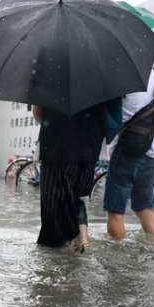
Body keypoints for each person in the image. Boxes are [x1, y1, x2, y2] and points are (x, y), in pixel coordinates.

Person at [104, 68, 154, 243]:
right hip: (152, 157)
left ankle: (118, 260)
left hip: (125, 154)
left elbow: (109, 119)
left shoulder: (119, 79)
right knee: (144, 208)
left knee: (115, 212)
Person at [31, 103, 107, 252]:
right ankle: (81, 241)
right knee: (76, 198)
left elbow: (38, 112)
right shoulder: (100, 83)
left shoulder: (49, 81)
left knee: (53, 207)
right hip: (88, 148)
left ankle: (60, 252)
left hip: (56, 148)